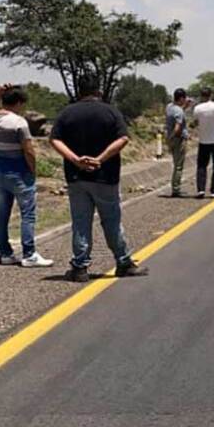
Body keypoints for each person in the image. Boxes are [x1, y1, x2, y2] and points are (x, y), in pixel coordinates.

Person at [50, 77, 147, 282]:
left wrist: (76, 160)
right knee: (111, 220)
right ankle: (123, 262)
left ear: (79, 91)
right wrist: (100, 159)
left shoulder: (67, 113)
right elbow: (123, 138)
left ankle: (80, 267)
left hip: (77, 176)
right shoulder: (110, 111)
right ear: (99, 92)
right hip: (105, 176)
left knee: (80, 222)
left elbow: (54, 139)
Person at [0, 85, 53, 268]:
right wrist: (33, 171)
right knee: (27, 214)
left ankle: (5, 252)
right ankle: (29, 253)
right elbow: (28, 150)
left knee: (1, 215)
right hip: (19, 173)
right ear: (19, 103)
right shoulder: (19, 122)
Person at [192, 88, 214, 198]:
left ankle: (201, 189)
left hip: (204, 141)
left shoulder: (197, 108)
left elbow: (195, 122)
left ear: (201, 96)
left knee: (202, 166)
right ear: (211, 95)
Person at [165, 88, 190, 197]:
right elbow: (177, 127)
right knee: (178, 166)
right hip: (178, 139)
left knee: (175, 163)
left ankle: (175, 187)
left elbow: (178, 113)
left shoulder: (169, 107)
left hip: (171, 139)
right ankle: (176, 189)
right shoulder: (179, 111)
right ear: (181, 98)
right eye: (184, 98)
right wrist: (173, 137)